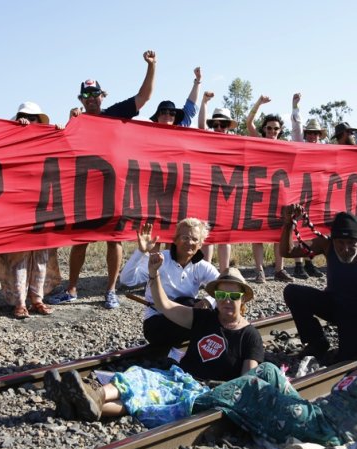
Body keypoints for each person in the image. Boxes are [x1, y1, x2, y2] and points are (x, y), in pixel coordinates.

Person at [191, 251, 357, 446]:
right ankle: (226, 400)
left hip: (326, 431)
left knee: (252, 384)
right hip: (313, 415)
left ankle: (193, 405)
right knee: (267, 371)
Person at [47, 266, 264, 423]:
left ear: (243, 298)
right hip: (177, 377)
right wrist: (154, 273)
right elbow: (165, 305)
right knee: (139, 376)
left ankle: (76, 404)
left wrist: (219, 394)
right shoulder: (203, 318)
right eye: (222, 294)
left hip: (203, 392)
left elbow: (248, 382)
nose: (227, 300)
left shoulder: (250, 336)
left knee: (148, 403)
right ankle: (93, 397)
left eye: (233, 295)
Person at [48, 50, 157, 309]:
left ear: (101, 95)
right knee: (80, 241)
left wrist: (152, 66)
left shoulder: (115, 113)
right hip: (85, 191)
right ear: (81, 99)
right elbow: (61, 144)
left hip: (113, 190)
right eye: (86, 95)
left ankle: (110, 290)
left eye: (94, 94)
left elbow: (144, 97)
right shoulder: (78, 120)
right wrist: (69, 120)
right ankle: (72, 289)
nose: (91, 99)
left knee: (114, 239)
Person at [280, 206, 357, 363]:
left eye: (351, 243)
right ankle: (317, 342)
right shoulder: (326, 244)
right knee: (292, 292)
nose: (345, 249)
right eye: (340, 242)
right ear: (333, 240)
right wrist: (289, 224)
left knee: (347, 358)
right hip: (334, 304)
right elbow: (287, 252)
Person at [0, 102, 56, 319]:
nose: (30, 121)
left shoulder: (47, 141)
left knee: (41, 255)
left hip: (43, 205)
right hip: (18, 205)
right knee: (19, 254)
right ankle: (19, 302)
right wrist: (16, 130)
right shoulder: (9, 139)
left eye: (34, 117)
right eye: (25, 116)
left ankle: (37, 298)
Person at [119, 219, 219, 346]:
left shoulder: (202, 266)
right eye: (185, 237)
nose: (189, 242)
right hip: (158, 322)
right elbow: (126, 280)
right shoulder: (161, 259)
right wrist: (141, 252)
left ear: (200, 245)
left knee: (213, 309)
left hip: (186, 318)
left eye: (195, 239)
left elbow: (223, 287)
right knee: (191, 305)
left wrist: (208, 301)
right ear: (175, 240)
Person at [245, 95, 292, 283]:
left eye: (276, 128)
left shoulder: (285, 146)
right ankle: (259, 270)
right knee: (258, 234)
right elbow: (249, 122)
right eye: (269, 128)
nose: (272, 131)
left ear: (280, 131)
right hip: (259, 193)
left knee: (278, 233)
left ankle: (279, 270)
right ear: (264, 129)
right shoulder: (259, 141)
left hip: (279, 195)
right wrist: (258, 104)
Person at [196, 93, 235, 273]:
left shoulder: (236, 142)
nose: (219, 127)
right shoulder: (208, 138)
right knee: (207, 234)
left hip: (228, 193)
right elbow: (201, 126)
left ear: (228, 126)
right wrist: (204, 102)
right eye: (216, 124)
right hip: (207, 193)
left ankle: (225, 272)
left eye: (223, 124)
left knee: (225, 236)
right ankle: (207, 272)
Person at [289, 93, 325, 279]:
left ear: (319, 135)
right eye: (310, 133)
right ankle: (298, 264)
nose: (312, 136)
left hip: (316, 192)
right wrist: (295, 106)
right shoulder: (300, 144)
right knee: (297, 225)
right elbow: (296, 127)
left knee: (312, 226)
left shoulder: (325, 149)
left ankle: (310, 261)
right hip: (298, 189)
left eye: (315, 133)